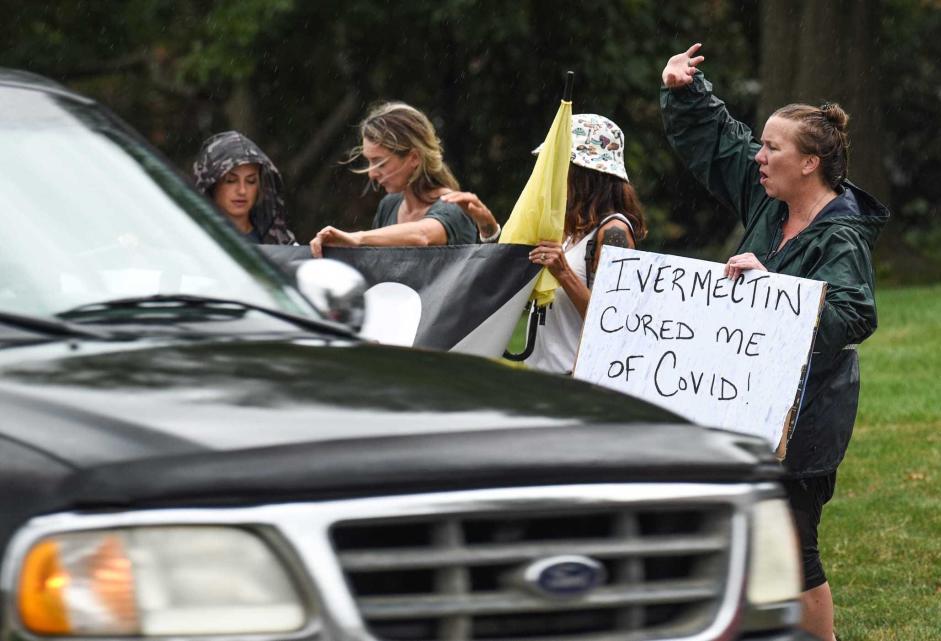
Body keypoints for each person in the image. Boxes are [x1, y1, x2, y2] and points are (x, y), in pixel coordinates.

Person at [661, 43, 890, 641]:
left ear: (810, 163)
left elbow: (853, 315)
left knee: (793, 548)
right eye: (761, 144)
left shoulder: (841, 235)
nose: (759, 155)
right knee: (734, 535)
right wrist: (687, 92)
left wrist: (774, 288)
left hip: (806, 420)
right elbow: (721, 145)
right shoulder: (769, 199)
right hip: (742, 409)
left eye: (773, 147)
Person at [445, 114, 648, 375]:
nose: (550, 175)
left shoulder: (614, 232)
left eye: (559, 164)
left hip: (578, 382)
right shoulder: (567, 227)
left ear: (585, 174)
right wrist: (488, 228)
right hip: (543, 376)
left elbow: (615, 320)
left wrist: (563, 273)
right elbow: (514, 272)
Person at [309, 102, 479, 256]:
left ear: (414, 158)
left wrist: (356, 238)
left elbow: (423, 236)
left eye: (380, 163)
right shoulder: (389, 205)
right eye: (369, 161)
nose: (372, 174)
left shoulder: (455, 206)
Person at [193, 131, 296, 245]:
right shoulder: (190, 240)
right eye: (231, 181)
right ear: (212, 184)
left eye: (251, 181)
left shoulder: (281, 242)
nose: (242, 190)